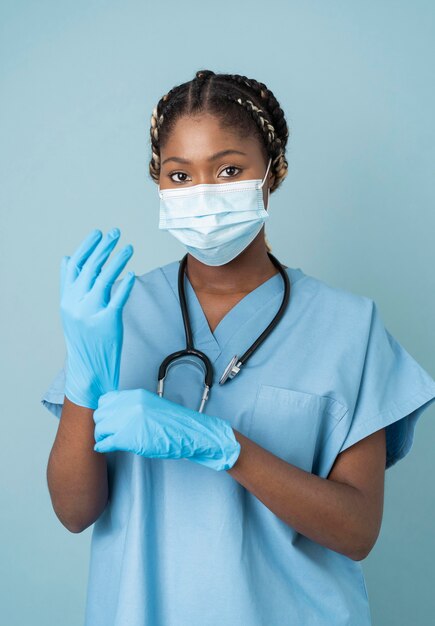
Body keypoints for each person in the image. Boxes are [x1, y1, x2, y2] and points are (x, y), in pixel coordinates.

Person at [41, 69, 435, 626]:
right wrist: (85, 371)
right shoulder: (117, 313)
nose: (202, 194)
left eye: (229, 169)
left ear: (272, 173)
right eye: (180, 175)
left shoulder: (349, 326)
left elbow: (357, 530)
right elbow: (75, 512)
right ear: (158, 180)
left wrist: (223, 446)